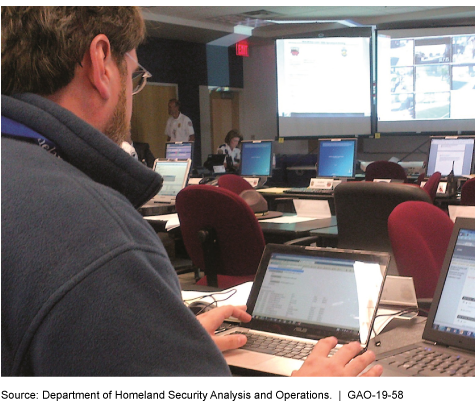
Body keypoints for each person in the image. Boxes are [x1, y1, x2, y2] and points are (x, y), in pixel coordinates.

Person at [1, 6, 382, 378]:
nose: (133, 96)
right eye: (134, 77)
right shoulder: (97, 237)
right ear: (101, 62)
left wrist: (167, 349)